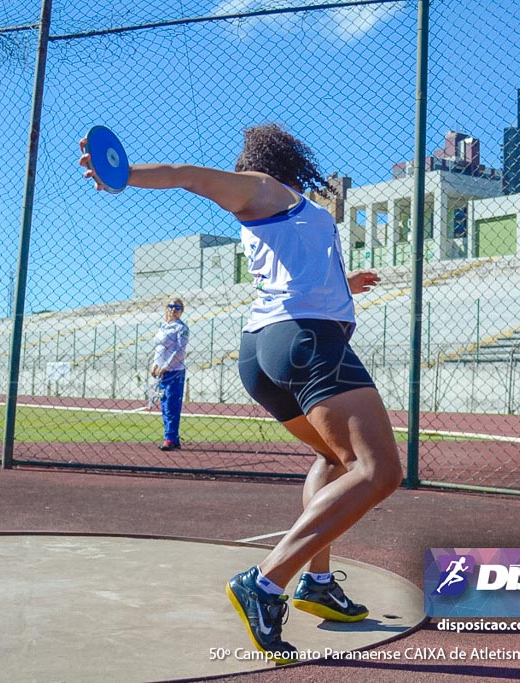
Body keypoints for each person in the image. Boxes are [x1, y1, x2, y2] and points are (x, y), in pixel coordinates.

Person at [80, 122, 402, 664]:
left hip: (265, 349)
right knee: (379, 470)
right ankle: (266, 582)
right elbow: (188, 177)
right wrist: (124, 174)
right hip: (303, 341)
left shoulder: (295, 211)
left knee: (332, 458)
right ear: (285, 159)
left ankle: (317, 583)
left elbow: (294, 273)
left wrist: (346, 286)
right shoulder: (261, 188)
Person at [150, 297, 189, 451]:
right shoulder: (164, 327)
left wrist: (165, 366)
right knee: (165, 404)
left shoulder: (181, 328)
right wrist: (155, 364)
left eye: (177, 307)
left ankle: (170, 438)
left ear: (181, 311)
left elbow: (180, 351)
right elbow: (159, 348)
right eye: (171, 306)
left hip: (174, 371)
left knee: (171, 406)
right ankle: (173, 437)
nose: (173, 309)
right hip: (161, 372)